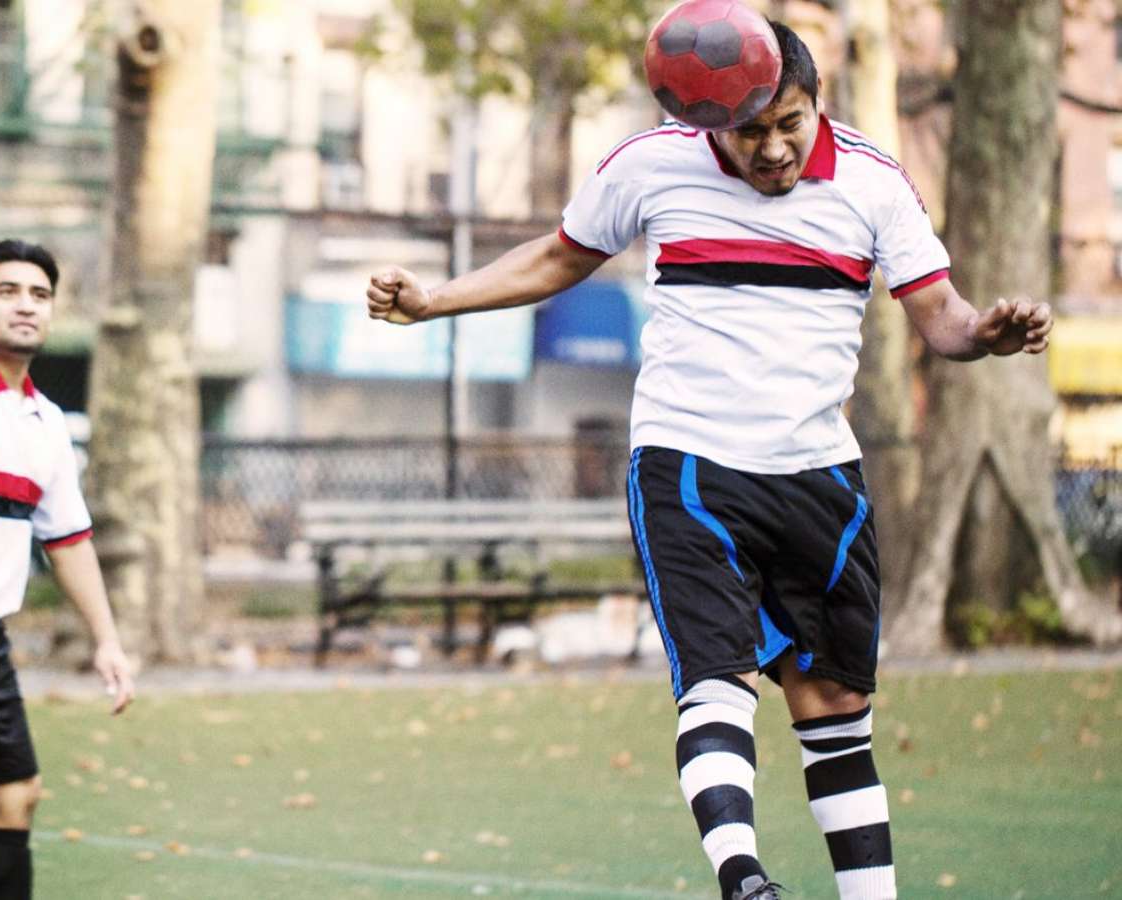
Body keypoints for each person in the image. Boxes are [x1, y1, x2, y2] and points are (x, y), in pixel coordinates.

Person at [367, 20, 1051, 900]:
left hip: (818, 476)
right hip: (691, 464)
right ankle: (744, 879)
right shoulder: (651, 165)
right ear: (708, 121)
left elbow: (943, 316)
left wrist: (987, 336)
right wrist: (432, 302)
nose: (772, 150)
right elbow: (555, 258)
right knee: (717, 678)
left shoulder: (875, 183)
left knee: (837, 709)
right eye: (750, 131)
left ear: (816, 103)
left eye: (790, 124)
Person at [0, 239, 135, 900]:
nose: (25, 306)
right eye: (6, 291)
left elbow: (67, 539)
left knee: (16, 795)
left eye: (38, 295)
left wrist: (106, 640)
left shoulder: (45, 424)